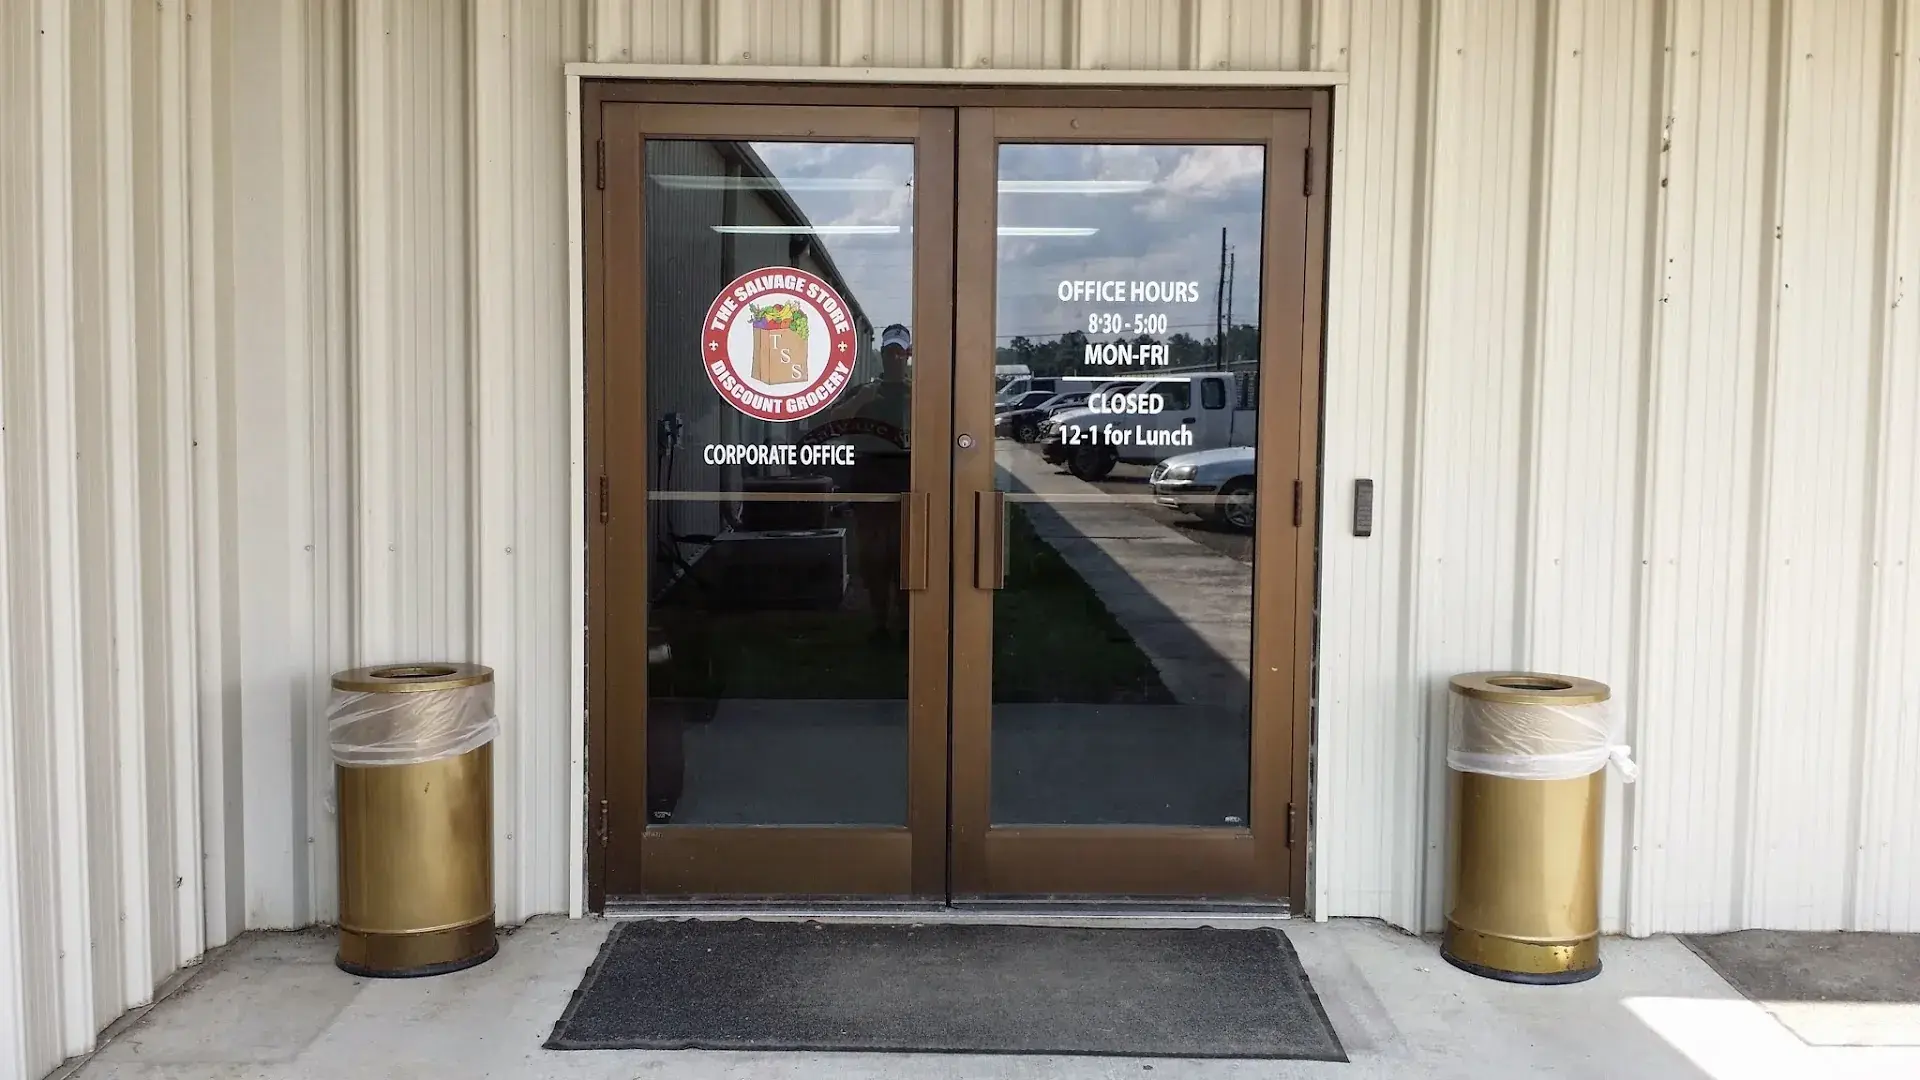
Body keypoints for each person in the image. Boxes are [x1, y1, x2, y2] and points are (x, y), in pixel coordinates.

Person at [834, 324, 913, 641]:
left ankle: (908, 625)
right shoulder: (865, 390)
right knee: (872, 559)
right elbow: (829, 422)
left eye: (900, 351)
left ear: (907, 355)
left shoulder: (918, 392)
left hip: (908, 485)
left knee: (906, 558)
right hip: (868, 483)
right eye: (889, 351)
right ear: (881, 354)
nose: (894, 357)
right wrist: (860, 401)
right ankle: (879, 623)